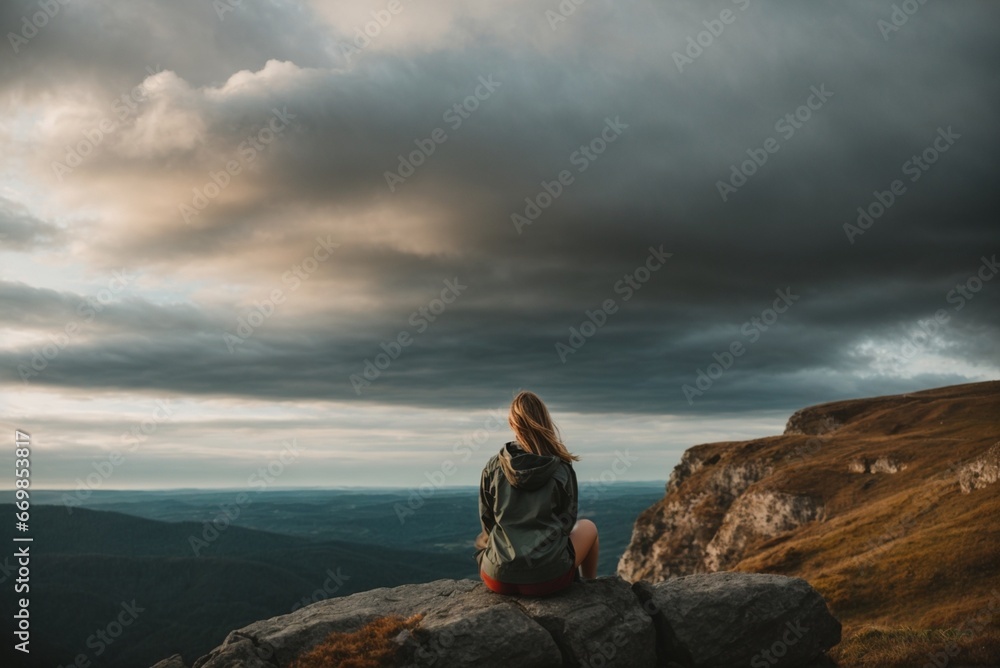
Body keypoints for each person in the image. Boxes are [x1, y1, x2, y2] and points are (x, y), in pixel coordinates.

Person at [475, 390, 599, 595]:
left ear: (513, 424)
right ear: (544, 421)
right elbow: (567, 523)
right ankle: (590, 587)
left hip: (498, 579)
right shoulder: (561, 467)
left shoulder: (493, 466)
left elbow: (487, 520)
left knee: (483, 540)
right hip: (549, 579)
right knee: (588, 526)